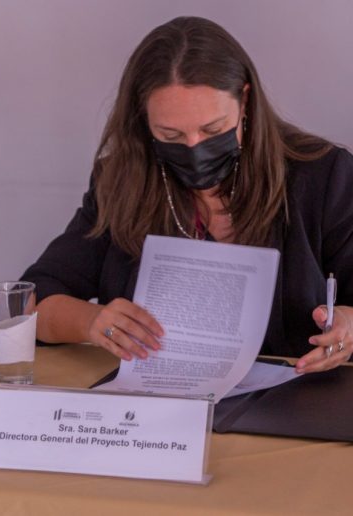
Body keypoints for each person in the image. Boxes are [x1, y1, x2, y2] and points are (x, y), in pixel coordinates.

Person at [21, 16, 353, 374]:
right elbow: (32, 301)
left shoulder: (323, 176)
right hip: (159, 401)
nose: (195, 148)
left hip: (300, 395)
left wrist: (348, 326)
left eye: (213, 129)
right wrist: (92, 321)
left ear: (245, 101)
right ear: (144, 120)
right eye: (171, 135)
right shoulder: (121, 182)